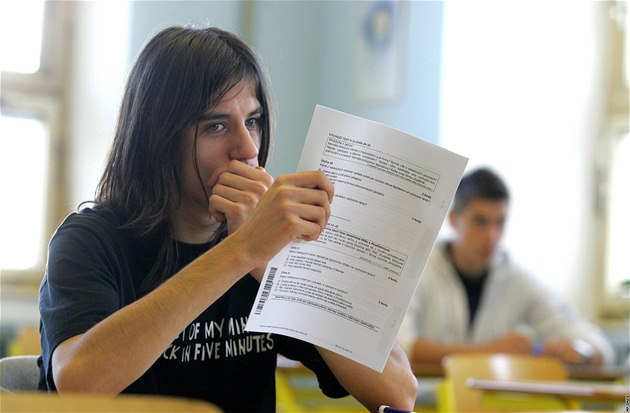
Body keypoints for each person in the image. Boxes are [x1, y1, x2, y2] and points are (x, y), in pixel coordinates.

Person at [38, 26, 417, 413]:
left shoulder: (270, 244)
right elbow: (79, 381)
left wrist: (283, 272)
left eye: (253, 121)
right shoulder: (89, 240)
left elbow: (398, 392)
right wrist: (244, 249)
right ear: (157, 139)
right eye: (215, 127)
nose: (248, 147)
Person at [398, 167, 614, 367]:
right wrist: (487, 352)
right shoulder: (418, 269)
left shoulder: (517, 277)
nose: (491, 236)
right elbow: (398, 346)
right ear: (454, 219)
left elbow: (596, 344)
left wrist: (579, 351)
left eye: (499, 223)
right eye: (480, 221)